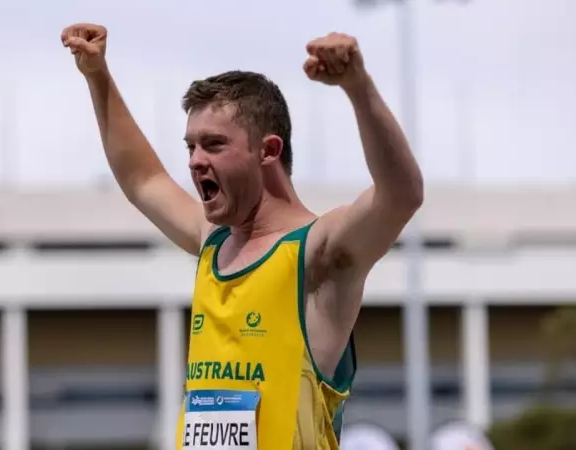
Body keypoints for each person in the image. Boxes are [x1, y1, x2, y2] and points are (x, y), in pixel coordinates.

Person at [61, 22, 423, 450]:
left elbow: (401, 194)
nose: (195, 162)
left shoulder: (318, 254)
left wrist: (357, 87)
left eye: (213, 145)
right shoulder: (211, 239)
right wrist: (97, 74)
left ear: (268, 151)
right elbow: (142, 178)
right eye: (190, 147)